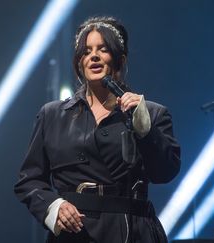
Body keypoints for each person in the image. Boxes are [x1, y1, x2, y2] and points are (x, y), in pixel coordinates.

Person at [14, 16, 181, 243]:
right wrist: (53, 206)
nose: (93, 56)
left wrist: (145, 130)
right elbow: (29, 180)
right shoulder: (52, 115)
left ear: (120, 60)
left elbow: (165, 173)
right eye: (86, 51)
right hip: (75, 233)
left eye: (102, 49)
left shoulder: (152, 113)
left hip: (132, 232)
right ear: (79, 63)